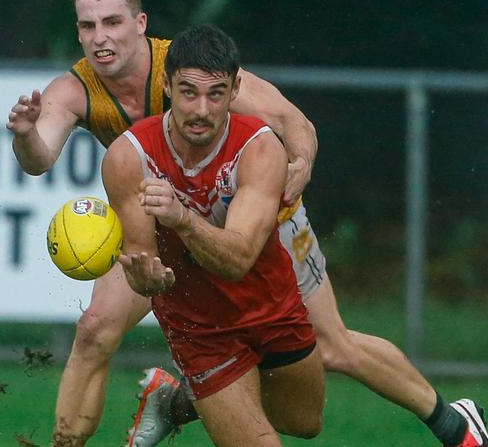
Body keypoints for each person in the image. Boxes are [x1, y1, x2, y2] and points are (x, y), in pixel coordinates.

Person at [7, 0, 488, 447]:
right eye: (88, 26)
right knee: (95, 329)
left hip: (257, 227)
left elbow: (291, 119)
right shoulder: (74, 89)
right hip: (166, 228)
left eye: (112, 22)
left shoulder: (192, 69)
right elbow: (38, 159)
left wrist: (300, 161)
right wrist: (27, 136)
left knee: (332, 349)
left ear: (140, 24)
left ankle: (452, 421)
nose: (100, 38)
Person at [102, 24, 326, 447]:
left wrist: (181, 218)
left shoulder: (259, 149)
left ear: (236, 89)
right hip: (200, 328)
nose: (201, 109)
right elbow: (143, 260)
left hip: (271, 305)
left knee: (305, 421)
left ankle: (174, 403)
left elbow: (238, 260)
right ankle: (210, 389)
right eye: (188, 92)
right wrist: (147, 278)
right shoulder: (129, 157)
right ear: (166, 85)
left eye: (216, 94)